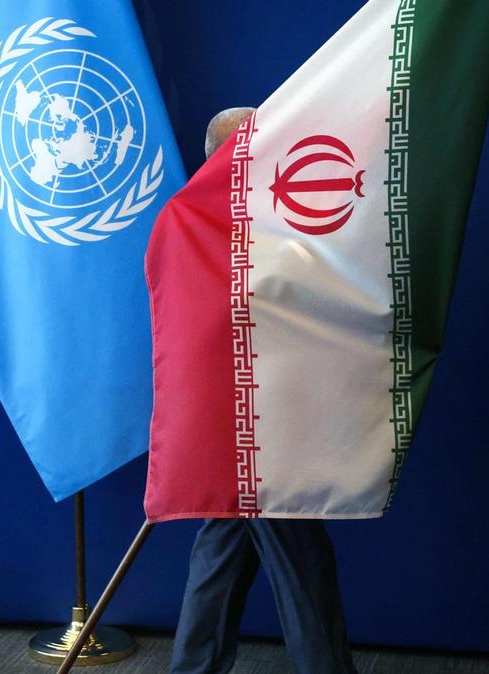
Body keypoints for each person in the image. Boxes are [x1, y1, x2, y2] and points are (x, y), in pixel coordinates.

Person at [168, 108, 358, 674]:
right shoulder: (239, 222)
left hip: (244, 416)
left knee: (223, 548)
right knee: (301, 556)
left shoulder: (193, 217)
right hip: (258, 421)